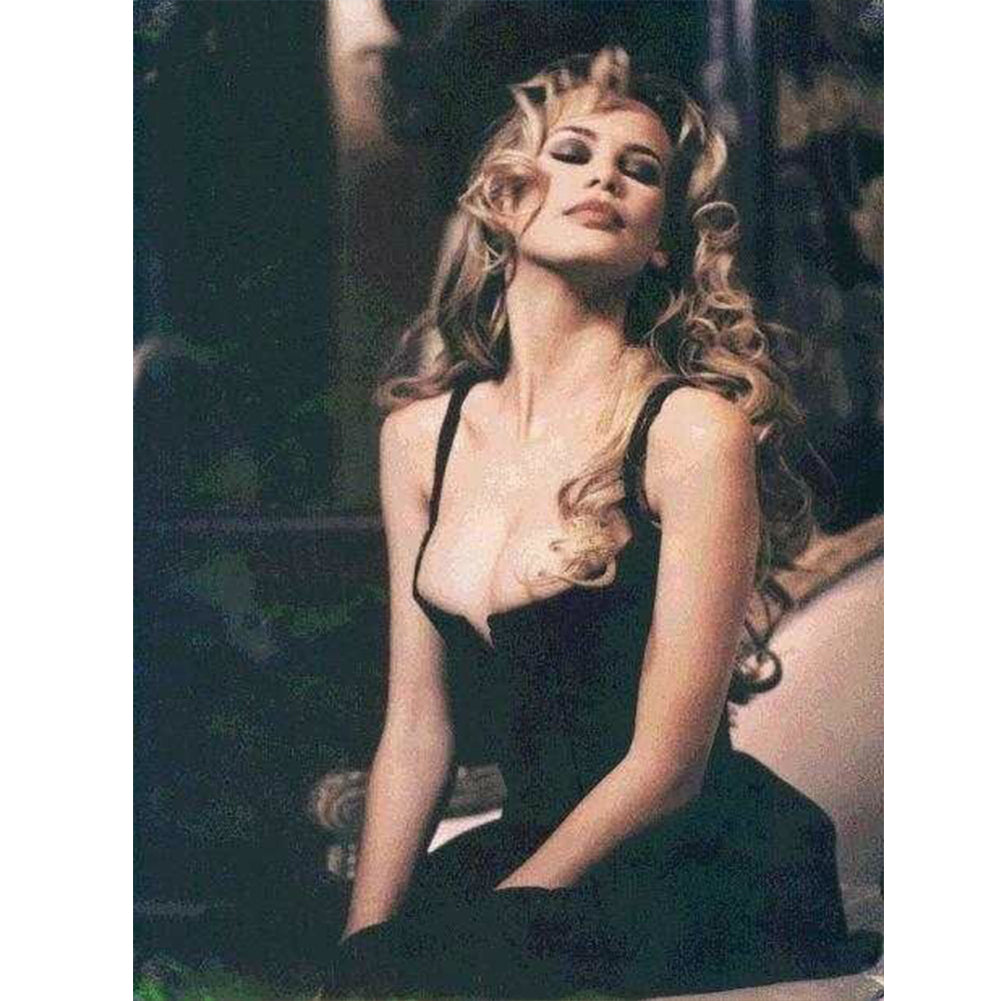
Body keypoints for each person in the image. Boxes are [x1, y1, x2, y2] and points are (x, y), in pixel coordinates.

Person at [325, 48, 871, 998]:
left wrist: (498, 926)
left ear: (661, 242)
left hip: (700, 860)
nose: (605, 177)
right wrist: (361, 948)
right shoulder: (418, 439)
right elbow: (417, 728)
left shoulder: (691, 431)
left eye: (639, 169)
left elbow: (667, 765)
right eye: (572, 152)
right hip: (539, 845)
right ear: (505, 201)